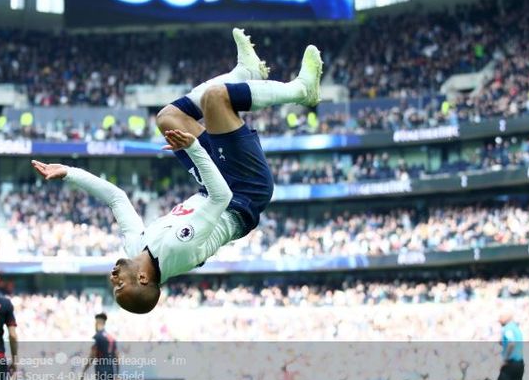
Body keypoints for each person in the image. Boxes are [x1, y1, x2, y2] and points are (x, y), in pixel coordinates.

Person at [32, 28, 323, 314]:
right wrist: (194, 147)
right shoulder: (180, 250)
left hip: (214, 184)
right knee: (216, 99)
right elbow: (221, 198)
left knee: (168, 118)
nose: (113, 278)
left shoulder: (136, 247)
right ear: (143, 279)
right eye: (119, 286)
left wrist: (69, 172)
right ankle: (300, 91)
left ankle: (245, 74)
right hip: (244, 191)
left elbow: (117, 198)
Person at [80, 313, 119, 380]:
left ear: (98, 323)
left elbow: (92, 355)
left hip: (101, 370)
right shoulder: (111, 338)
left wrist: (83, 371)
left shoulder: (98, 337)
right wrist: (117, 372)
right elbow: (117, 356)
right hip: (110, 369)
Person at [495, 310, 524, 380]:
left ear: (507, 318)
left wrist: (505, 359)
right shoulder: (516, 328)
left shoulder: (507, 328)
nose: (498, 320)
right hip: (520, 363)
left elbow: (511, 343)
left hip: (510, 363)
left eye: (500, 317)